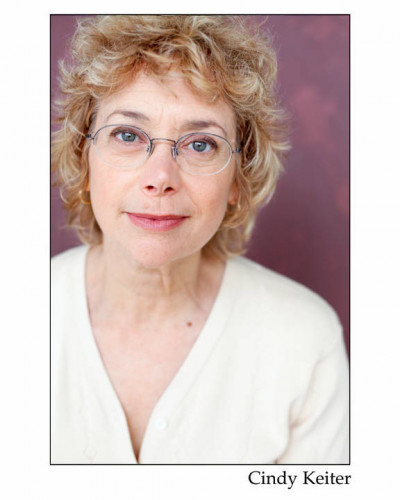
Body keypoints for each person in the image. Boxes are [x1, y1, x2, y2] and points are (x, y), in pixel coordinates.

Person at [51, 15, 349, 464]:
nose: (160, 178)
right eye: (127, 135)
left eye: (200, 144)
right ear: (83, 157)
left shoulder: (306, 340)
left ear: (238, 179)